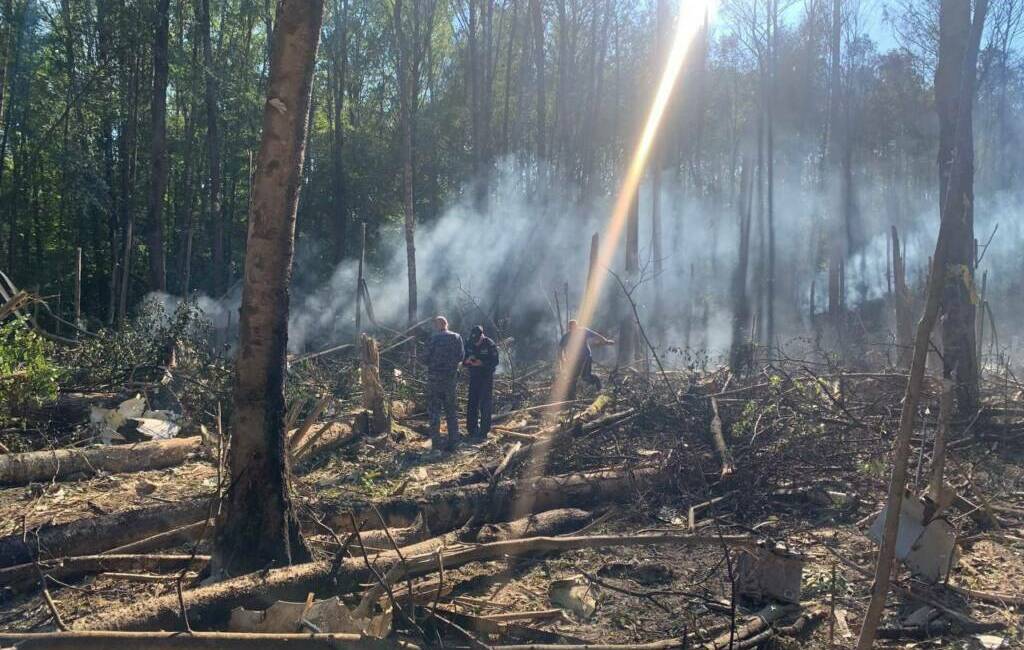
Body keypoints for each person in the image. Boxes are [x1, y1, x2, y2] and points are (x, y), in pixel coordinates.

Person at [423, 316, 464, 450]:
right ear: (447, 324)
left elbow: (425, 358)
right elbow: (461, 356)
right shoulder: (457, 337)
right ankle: (454, 441)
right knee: (451, 410)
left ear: (437, 325)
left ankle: (436, 444)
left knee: (434, 411)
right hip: (450, 380)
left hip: (434, 380)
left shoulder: (433, 339)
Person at [559, 319, 614, 397]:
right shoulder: (567, 336)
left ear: (577, 326)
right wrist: (562, 359)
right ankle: (571, 397)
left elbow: (596, 335)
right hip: (575, 359)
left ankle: (599, 386)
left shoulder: (583, 331)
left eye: (574, 327)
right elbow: (561, 348)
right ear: (569, 328)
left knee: (585, 377)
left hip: (586, 356)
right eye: (571, 328)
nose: (573, 330)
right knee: (573, 378)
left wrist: (606, 341)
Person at [463, 325, 499, 439]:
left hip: (486, 377)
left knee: (485, 404)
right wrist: (467, 361)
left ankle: (484, 431)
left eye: (477, 340)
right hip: (474, 376)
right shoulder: (469, 343)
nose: (476, 343)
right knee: (472, 402)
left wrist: (482, 363)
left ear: (482, 336)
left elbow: (495, 361)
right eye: (474, 340)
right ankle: (471, 429)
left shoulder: (490, 344)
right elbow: (462, 359)